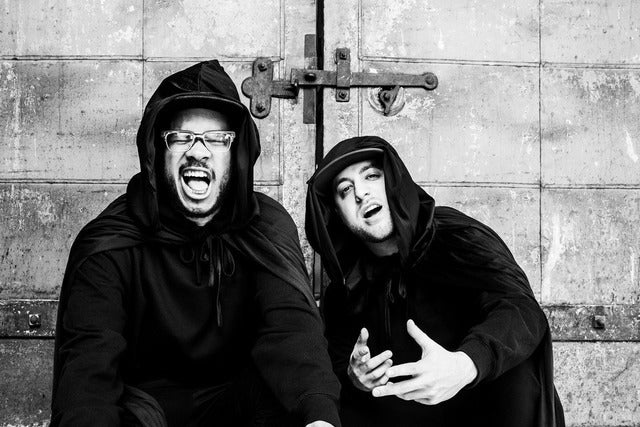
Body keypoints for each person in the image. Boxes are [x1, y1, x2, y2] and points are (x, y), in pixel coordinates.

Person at [51, 60, 340, 427]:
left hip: (235, 408)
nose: (198, 151)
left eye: (217, 139)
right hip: (144, 410)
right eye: (181, 137)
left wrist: (319, 418)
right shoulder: (112, 240)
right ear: (158, 151)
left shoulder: (263, 227)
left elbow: (292, 332)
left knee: (286, 400)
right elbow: (89, 366)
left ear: (236, 154)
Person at [305, 136, 565, 426]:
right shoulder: (346, 287)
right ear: (337, 213)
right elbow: (332, 366)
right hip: (404, 416)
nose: (361, 193)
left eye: (372, 176)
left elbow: (521, 310)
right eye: (345, 190)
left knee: (517, 371)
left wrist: (465, 364)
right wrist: (356, 377)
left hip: (482, 407)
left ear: (394, 182)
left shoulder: (455, 237)